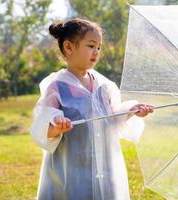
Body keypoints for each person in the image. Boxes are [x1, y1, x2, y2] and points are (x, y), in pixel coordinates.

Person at [30, 18, 153, 200]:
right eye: (91, 46)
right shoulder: (57, 87)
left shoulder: (104, 85)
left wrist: (131, 110)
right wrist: (57, 126)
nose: (96, 52)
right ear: (69, 47)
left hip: (104, 165)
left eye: (99, 47)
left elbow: (112, 117)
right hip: (71, 168)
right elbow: (43, 127)